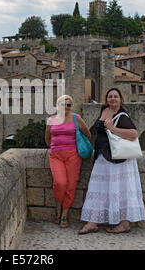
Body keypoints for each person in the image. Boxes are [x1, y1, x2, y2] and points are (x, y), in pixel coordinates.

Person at [78, 88, 145, 234]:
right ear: (106, 99)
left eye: (115, 96)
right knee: (98, 189)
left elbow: (133, 134)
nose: (112, 99)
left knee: (120, 190)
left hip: (118, 160)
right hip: (102, 157)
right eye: (110, 96)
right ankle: (92, 222)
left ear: (120, 99)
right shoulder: (103, 110)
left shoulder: (122, 115)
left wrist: (112, 128)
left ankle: (124, 223)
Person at [45, 95, 92, 228]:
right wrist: (56, 147)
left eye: (68, 105)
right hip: (56, 156)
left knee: (71, 186)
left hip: (73, 156)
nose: (65, 107)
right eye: (62, 104)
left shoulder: (76, 118)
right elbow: (47, 138)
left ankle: (64, 214)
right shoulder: (51, 120)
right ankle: (58, 207)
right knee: (60, 183)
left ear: (71, 106)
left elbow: (88, 134)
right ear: (57, 105)